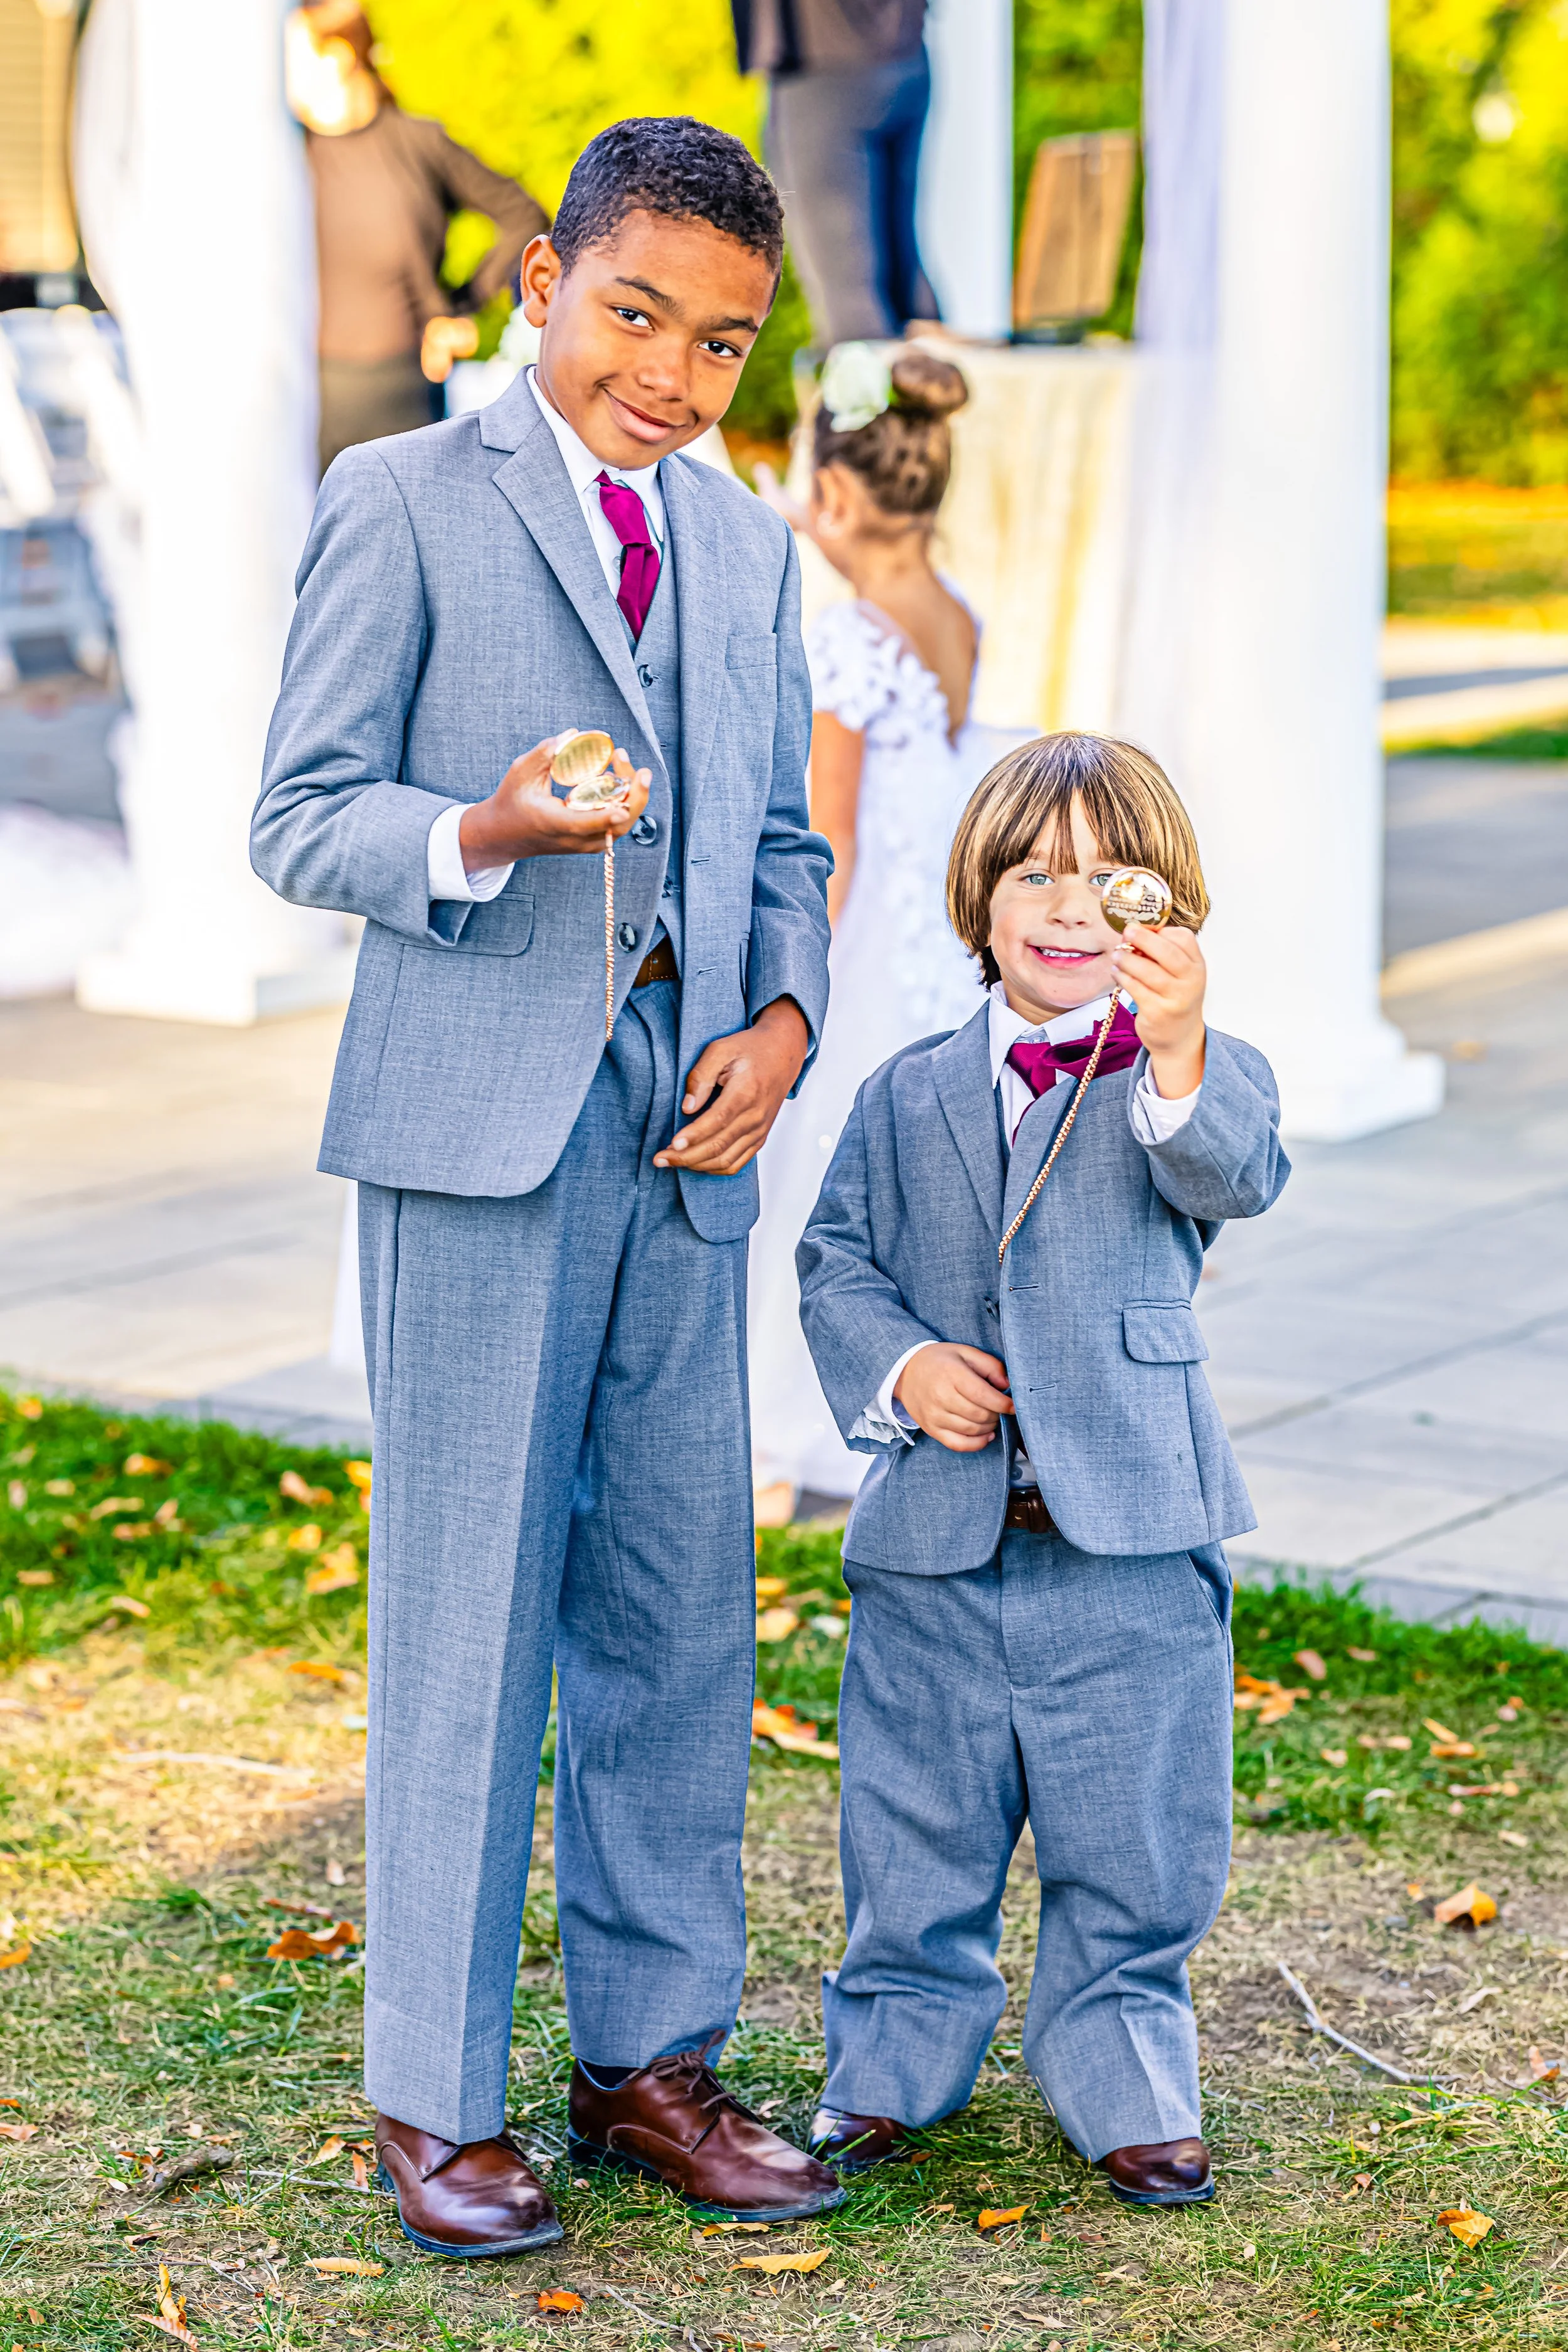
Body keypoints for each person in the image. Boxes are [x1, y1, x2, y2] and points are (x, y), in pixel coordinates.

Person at [252, 116, 840, 2259]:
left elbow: (784, 844)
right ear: (539, 288)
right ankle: (434, 2091)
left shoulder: (753, 547)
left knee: (679, 1614)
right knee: (471, 1614)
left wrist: (782, 1031)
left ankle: (652, 2061)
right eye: (635, 317)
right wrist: (482, 831)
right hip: (475, 1139)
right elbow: (302, 815)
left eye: (723, 343)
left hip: (687, 1152)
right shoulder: (402, 500)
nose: (672, 376)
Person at [795, 733, 1290, 2206]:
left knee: (1133, 1833)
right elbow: (835, 1262)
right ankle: (889, 2062)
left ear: (1170, 914)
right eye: (1037, 874)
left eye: (1112, 882)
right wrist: (899, 1368)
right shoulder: (906, 1092)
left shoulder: (1186, 1079)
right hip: (937, 1550)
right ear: (982, 898)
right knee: (912, 1827)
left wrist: (1182, 1040)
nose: (1072, 909)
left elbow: (1234, 1173)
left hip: (1129, 1539)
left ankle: (1125, 2068)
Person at [748, 341, 1024, 1508]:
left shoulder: (849, 640)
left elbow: (834, 838)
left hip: (864, 947)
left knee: (822, 1178)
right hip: (936, 955)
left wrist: (788, 983)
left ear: (840, 497)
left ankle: (792, 1424)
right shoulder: (950, 611)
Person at [285, 1, 548, 473]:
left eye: (291, 54)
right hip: (304, 398)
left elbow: (524, 217)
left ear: (338, 57)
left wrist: (459, 309)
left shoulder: (418, 144)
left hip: (405, 397)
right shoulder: (285, 156)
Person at [732, 0, 938, 343]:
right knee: (907, 292)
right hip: (906, 53)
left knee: (852, 316)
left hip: (822, 64)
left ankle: (878, 389)